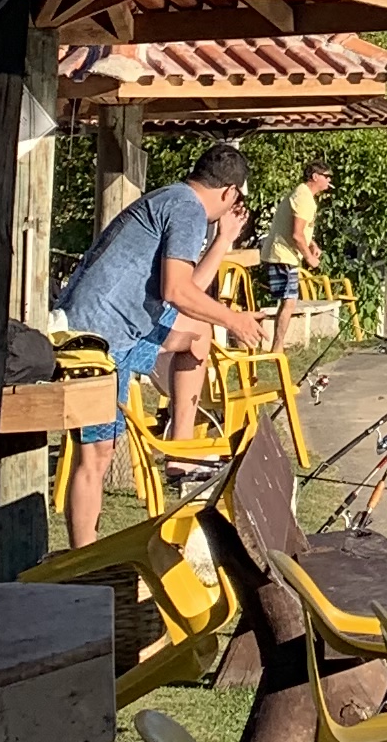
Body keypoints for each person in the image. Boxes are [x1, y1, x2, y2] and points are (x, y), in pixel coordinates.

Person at [60, 143, 260, 545]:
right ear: (230, 193)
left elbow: (188, 291)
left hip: (122, 326)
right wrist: (234, 319)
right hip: (97, 337)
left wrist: (224, 241)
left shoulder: (173, 198)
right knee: (95, 454)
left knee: (197, 335)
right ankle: (81, 559)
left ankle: (179, 450)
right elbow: (176, 291)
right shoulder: (187, 209)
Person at [261, 157, 334, 348]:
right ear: (315, 176)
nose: (329, 180)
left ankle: (277, 346)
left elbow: (299, 229)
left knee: (288, 301)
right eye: (326, 176)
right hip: (282, 255)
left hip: (285, 255)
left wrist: (312, 244)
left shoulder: (303, 195)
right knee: (289, 302)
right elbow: (296, 234)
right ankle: (277, 347)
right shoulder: (303, 198)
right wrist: (310, 258)